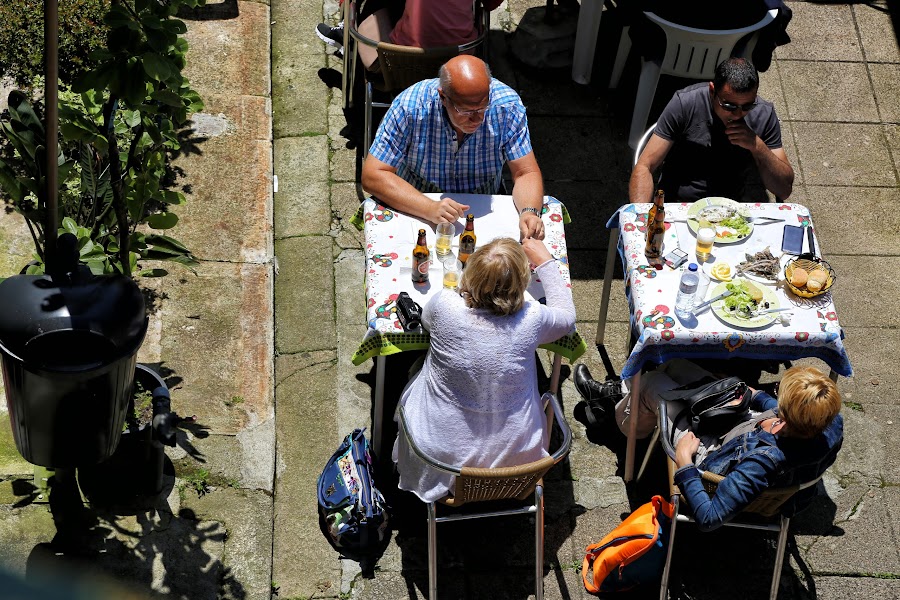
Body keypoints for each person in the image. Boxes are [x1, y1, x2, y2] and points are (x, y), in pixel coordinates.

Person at [392, 237, 576, 502]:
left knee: (418, 368)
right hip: (519, 466)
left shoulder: (445, 305)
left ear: (469, 278)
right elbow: (567, 316)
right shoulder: (533, 318)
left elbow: (426, 322)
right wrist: (545, 262)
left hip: (441, 462)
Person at [362, 55, 546, 240]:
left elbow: (525, 172)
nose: (478, 119)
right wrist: (428, 207)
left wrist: (529, 211)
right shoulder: (410, 107)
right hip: (417, 199)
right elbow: (373, 175)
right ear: (443, 96)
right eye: (466, 112)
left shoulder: (508, 106)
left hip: (483, 199)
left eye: (483, 107)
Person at [674, 365, 843, 531]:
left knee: (654, 384)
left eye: (778, 393)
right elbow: (790, 413)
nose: (776, 398)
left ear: (786, 413)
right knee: (675, 367)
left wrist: (685, 461)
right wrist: (756, 395)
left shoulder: (761, 463)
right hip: (747, 428)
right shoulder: (831, 422)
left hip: (711, 451)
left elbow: (709, 518)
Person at [629, 57, 794, 204]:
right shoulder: (685, 104)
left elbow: (784, 190)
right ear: (712, 91)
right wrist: (642, 219)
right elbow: (645, 166)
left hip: (731, 208)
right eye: (729, 105)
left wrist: (757, 146)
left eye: (747, 106)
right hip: (679, 204)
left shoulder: (764, 115)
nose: (737, 114)